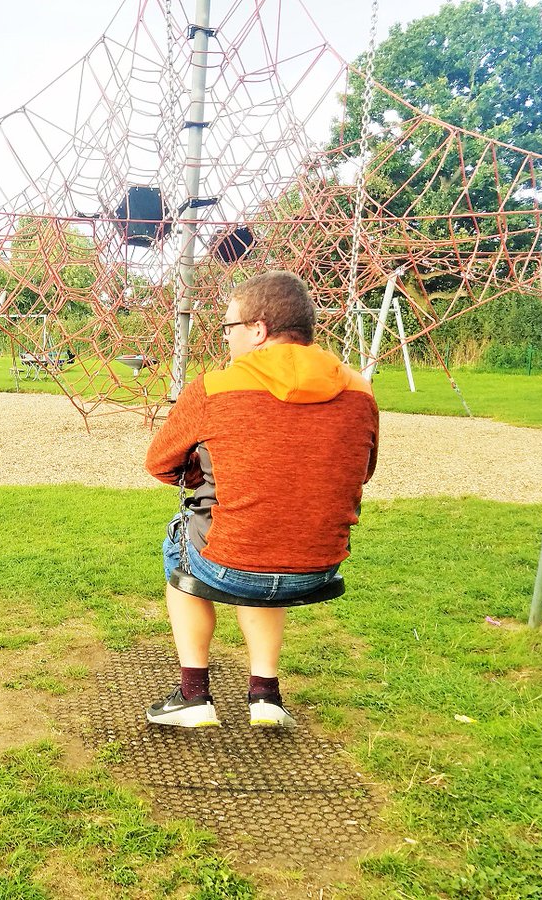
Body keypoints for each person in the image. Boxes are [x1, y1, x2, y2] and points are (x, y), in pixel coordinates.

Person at [144, 270, 378, 728]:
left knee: (184, 542)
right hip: (318, 568)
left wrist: (201, 472)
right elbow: (362, 469)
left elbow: (160, 464)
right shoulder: (359, 390)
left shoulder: (215, 387)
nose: (226, 337)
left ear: (258, 330)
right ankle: (265, 695)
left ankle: (193, 695)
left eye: (229, 326)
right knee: (264, 535)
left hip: (229, 564)